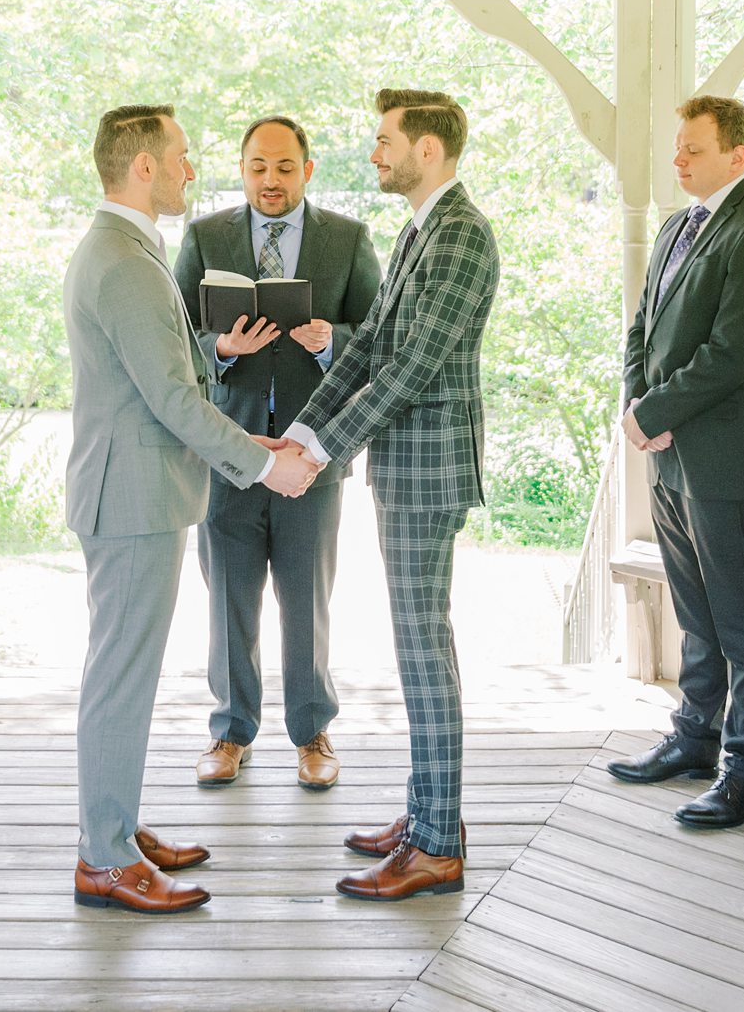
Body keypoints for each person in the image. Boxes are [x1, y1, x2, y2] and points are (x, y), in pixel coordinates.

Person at [64, 104, 317, 915]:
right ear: (142, 165)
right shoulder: (126, 260)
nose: (188, 169)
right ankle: (104, 858)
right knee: (120, 677)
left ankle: (118, 828)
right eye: (179, 155)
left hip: (138, 491)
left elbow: (161, 377)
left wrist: (236, 396)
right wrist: (259, 464)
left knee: (123, 672)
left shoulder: (126, 249)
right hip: (133, 497)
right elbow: (171, 397)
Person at [286, 89, 498, 902]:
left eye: (384, 141)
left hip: (428, 469)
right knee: (419, 648)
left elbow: (410, 369)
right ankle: (425, 815)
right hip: (403, 465)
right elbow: (369, 343)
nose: (373, 153)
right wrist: (303, 432)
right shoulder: (421, 228)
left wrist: (324, 449)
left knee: (423, 654)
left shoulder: (460, 235)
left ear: (429, 150)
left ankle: (438, 843)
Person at [605, 95, 744, 832]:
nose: (678, 160)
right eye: (677, 147)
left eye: (693, 148)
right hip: (671, 453)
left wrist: (655, 413)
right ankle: (695, 737)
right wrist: (639, 405)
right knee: (696, 612)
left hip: (727, 457)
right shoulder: (677, 225)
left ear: (737, 155)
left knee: (743, 623)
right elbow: (643, 326)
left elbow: (735, 352)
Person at [174, 115, 382, 792]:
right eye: (259, 166)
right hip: (228, 452)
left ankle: (311, 730)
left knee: (306, 598)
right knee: (228, 596)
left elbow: (380, 340)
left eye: (285, 166)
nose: (271, 179)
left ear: (308, 169)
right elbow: (171, 338)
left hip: (313, 453)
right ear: (242, 169)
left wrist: (330, 342)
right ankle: (231, 730)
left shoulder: (348, 240)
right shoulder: (204, 237)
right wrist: (222, 349)